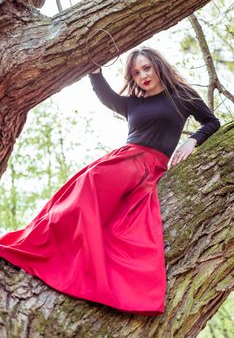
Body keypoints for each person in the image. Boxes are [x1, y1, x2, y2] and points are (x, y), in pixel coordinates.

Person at [0, 47, 220, 316]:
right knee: (80, 192)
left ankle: (90, 268)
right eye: (137, 72)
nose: (143, 76)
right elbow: (107, 97)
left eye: (147, 68)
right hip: (123, 161)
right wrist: (95, 73)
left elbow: (212, 121)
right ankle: (47, 248)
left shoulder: (182, 96)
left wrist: (191, 140)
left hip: (149, 165)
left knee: (101, 203)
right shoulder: (133, 103)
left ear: (158, 65)